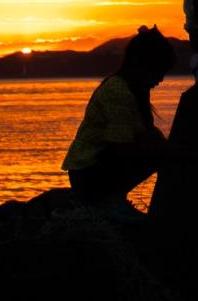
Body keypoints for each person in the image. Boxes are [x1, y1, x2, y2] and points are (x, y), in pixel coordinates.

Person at [61, 26, 175, 219]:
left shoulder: (134, 90)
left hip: (99, 168)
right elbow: (120, 148)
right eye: (158, 71)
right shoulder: (118, 91)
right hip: (88, 173)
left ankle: (114, 199)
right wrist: (168, 151)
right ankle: (108, 202)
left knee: (157, 143)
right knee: (158, 150)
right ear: (142, 66)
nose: (161, 79)